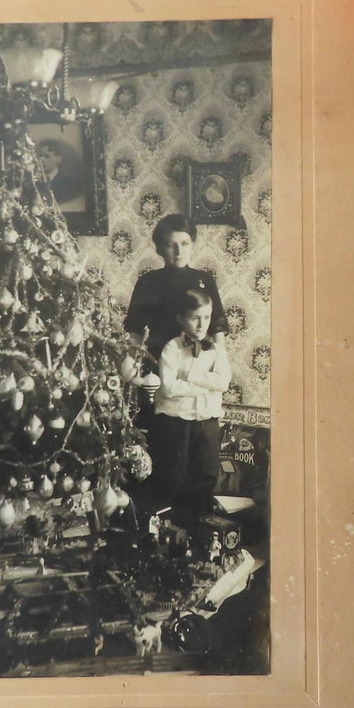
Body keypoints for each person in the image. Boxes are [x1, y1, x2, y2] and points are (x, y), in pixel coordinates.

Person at [147, 289, 231, 521]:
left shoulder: (216, 350)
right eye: (195, 318)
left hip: (207, 419)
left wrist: (191, 377)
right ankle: (172, 526)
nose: (201, 324)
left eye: (206, 317)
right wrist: (206, 385)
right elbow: (169, 388)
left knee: (207, 472)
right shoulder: (172, 348)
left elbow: (223, 382)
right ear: (180, 319)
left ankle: (199, 523)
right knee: (176, 472)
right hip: (176, 420)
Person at [125, 214, 229, 362]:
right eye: (170, 245)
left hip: (197, 360)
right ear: (160, 249)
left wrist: (220, 366)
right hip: (157, 360)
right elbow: (135, 331)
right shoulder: (147, 282)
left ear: (192, 243)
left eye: (185, 243)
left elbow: (217, 329)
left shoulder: (205, 281)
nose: (179, 252)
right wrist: (131, 367)